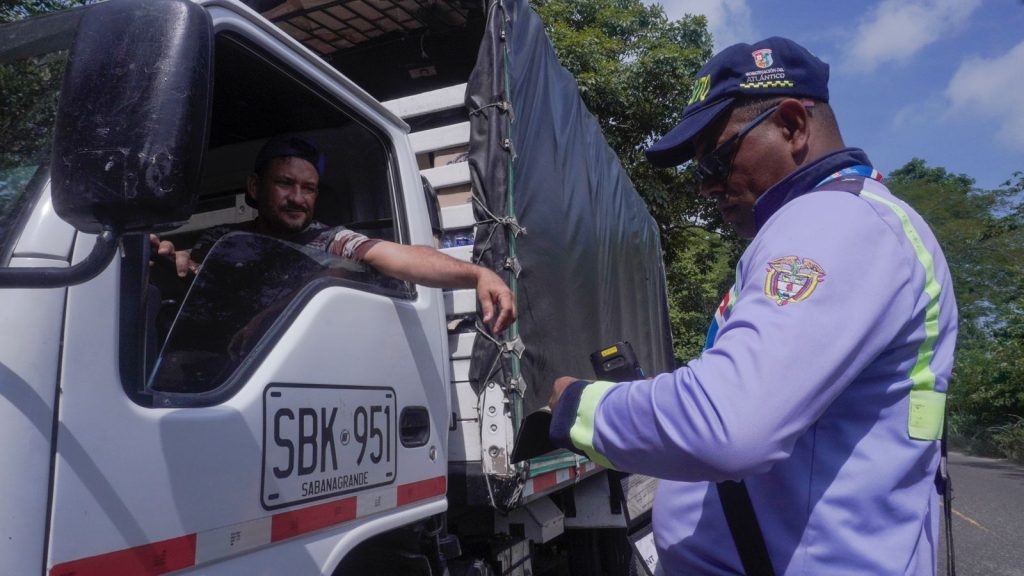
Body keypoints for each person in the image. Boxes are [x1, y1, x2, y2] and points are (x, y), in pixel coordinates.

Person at [547, 37, 957, 574]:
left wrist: (578, 405)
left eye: (716, 160)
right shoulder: (848, 222)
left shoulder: (833, 222)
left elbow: (729, 424)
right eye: (699, 172)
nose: (707, 188)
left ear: (792, 126)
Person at [153, 134, 515, 333]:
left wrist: (476, 274)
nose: (297, 198)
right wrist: (174, 264)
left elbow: (400, 255)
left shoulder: (331, 241)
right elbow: (194, 279)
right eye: (284, 183)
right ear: (254, 186)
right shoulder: (220, 240)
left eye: (309, 188)